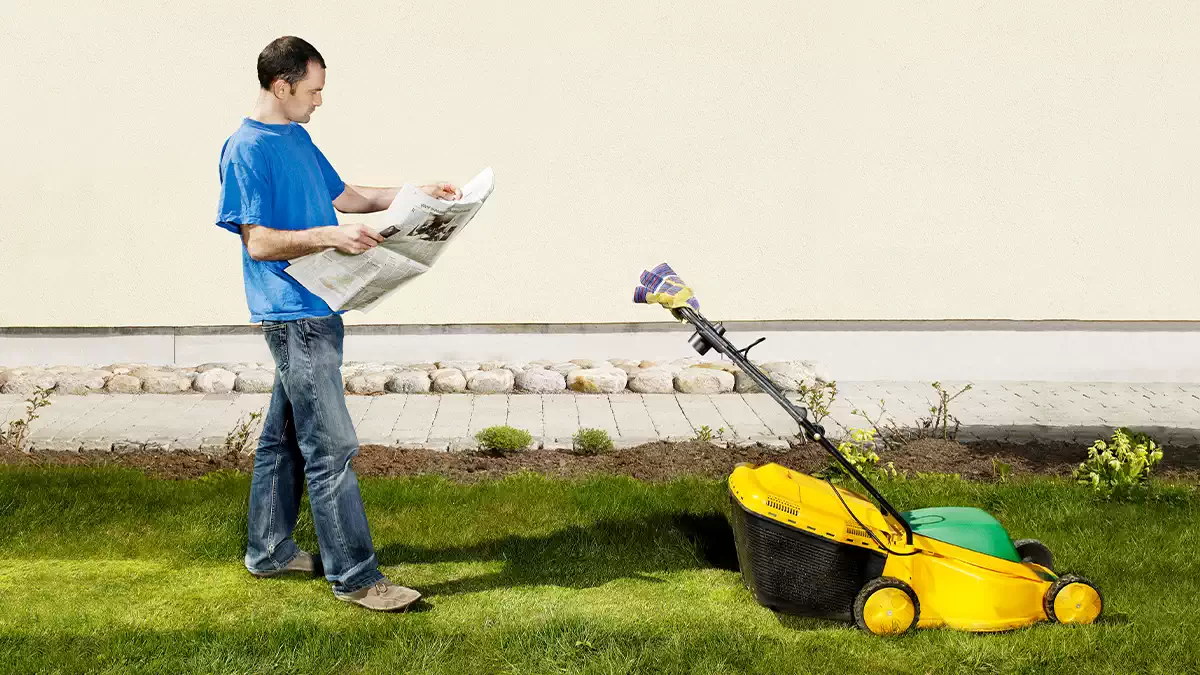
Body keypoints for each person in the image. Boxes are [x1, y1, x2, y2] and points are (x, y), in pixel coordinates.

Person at [215, 35, 457, 612]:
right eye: (313, 90)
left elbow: (347, 196)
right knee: (331, 446)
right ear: (282, 85)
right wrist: (330, 236)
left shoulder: (295, 137)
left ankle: (268, 551)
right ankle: (356, 576)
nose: (319, 101)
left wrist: (416, 192)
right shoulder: (245, 149)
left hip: (320, 307)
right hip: (293, 312)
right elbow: (261, 242)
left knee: (284, 442)